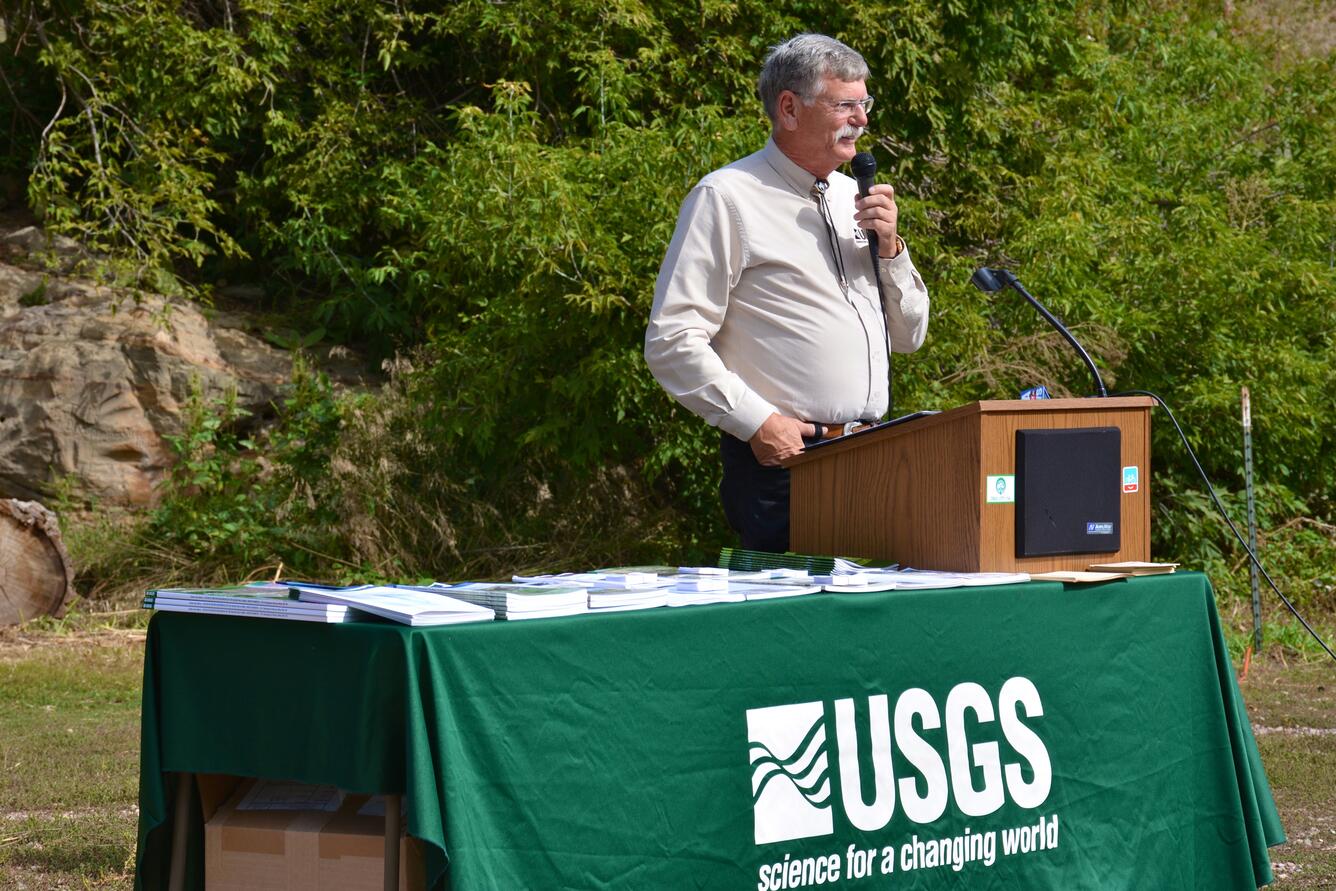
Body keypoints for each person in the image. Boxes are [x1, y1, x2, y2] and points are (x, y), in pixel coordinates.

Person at [644, 33, 930, 552]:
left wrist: (891, 250)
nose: (862, 119)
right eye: (846, 104)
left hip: (878, 456)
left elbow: (909, 337)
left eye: (864, 104)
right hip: (785, 465)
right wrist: (758, 423)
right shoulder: (728, 197)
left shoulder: (854, 198)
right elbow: (672, 340)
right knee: (794, 631)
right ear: (790, 109)